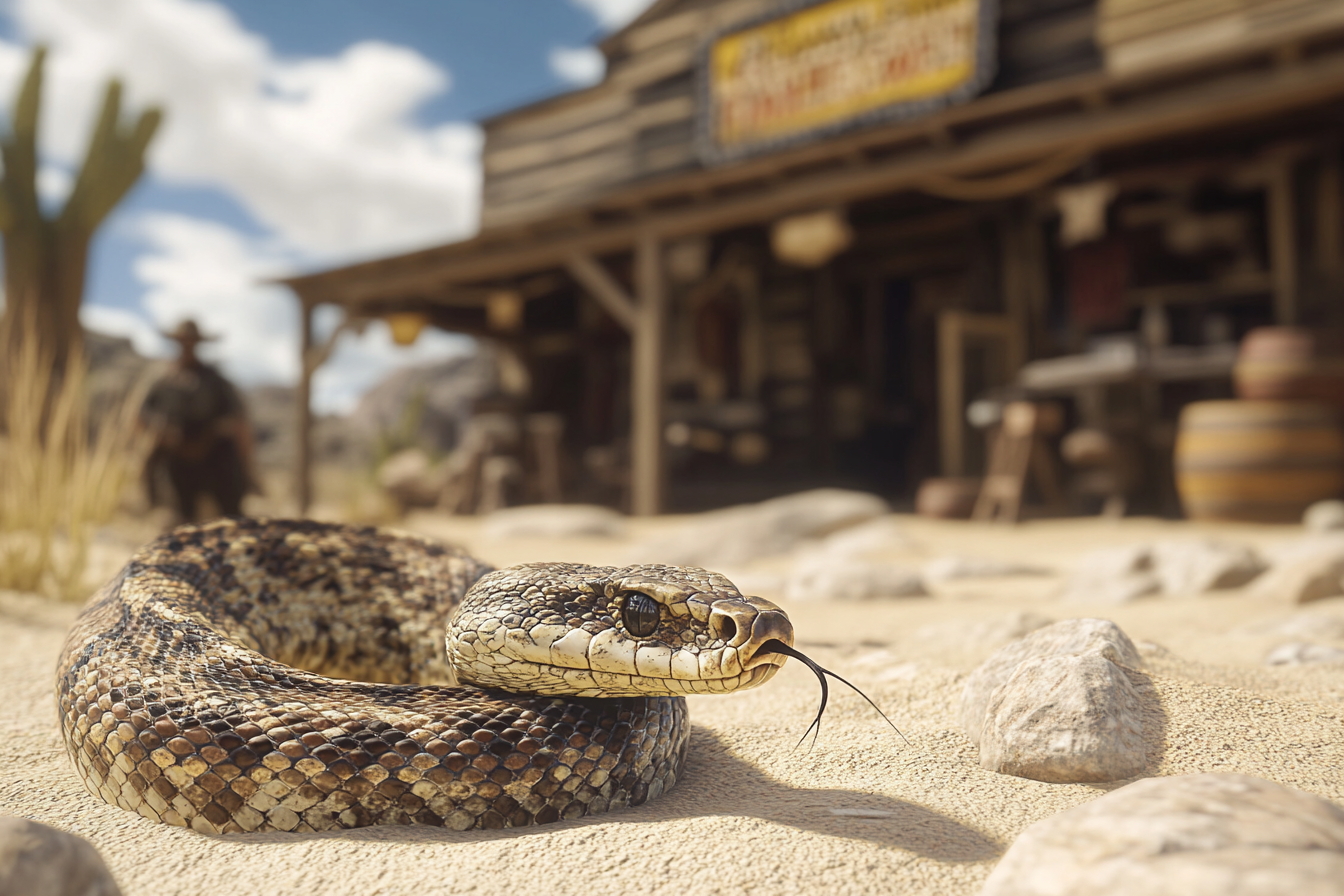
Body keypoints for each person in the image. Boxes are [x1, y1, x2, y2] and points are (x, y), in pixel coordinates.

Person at [140, 320, 259, 523]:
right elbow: (142, 416)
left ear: (197, 343)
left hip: (214, 455)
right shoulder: (162, 380)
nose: (187, 346)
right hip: (176, 457)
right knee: (179, 518)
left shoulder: (214, 380)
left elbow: (238, 421)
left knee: (231, 517)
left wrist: (248, 466)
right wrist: (161, 433)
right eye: (183, 341)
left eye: (191, 341)